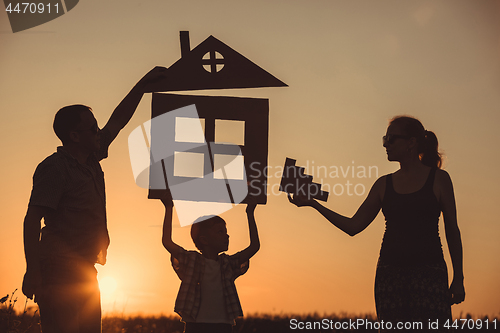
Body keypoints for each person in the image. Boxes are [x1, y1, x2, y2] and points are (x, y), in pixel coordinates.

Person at [22, 66, 167, 333]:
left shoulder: (90, 159)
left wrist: (143, 85)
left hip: (85, 268)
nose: (99, 132)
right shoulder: (55, 168)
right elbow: (32, 220)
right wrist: (33, 270)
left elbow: (118, 121)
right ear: (74, 136)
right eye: (92, 129)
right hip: (58, 269)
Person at [288, 116, 465, 332]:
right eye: (385, 139)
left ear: (411, 142)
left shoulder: (439, 179)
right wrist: (313, 204)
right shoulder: (383, 184)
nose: (385, 144)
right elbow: (354, 226)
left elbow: (452, 231)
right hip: (390, 278)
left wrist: (458, 277)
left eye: (391, 139)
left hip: (429, 275)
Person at [161, 198, 260, 333]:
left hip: (223, 325)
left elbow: (254, 246)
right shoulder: (192, 261)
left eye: (226, 232)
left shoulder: (227, 264)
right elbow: (167, 241)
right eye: (220, 232)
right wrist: (168, 208)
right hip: (195, 325)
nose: (227, 236)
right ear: (204, 240)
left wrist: (250, 213)